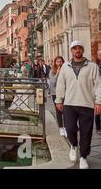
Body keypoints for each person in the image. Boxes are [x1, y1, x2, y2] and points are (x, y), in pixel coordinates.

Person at [56, 41, 101, 169]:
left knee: (86, 132)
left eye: (79, 48)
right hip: (69, 103)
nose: (77, 50)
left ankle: (83, 157)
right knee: (69, 128)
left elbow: (98, 85)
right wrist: (59, 100)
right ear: (71, 51)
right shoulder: (65, 66)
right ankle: (74, 145)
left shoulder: (92, 66)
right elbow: (60, 84)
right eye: (74, 48)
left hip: (87, 103)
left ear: (82, 50)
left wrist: (99, 102)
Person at [49, 56, 66, 137]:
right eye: (57, 61)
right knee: (58, 111)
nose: (59, 63)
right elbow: (53, 83)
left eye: (61, 61)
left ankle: (66, 127)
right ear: (55, 63)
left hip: (65, 93)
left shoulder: (66, 70)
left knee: (66, 111)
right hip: (55, 93)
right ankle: (61, 128)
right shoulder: (52, 71)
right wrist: (58, 73)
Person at [96, 49, 101, 135]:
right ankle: (98, 127)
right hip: (98, 90)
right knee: (98, 110)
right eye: (100, 55)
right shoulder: (96, 66)